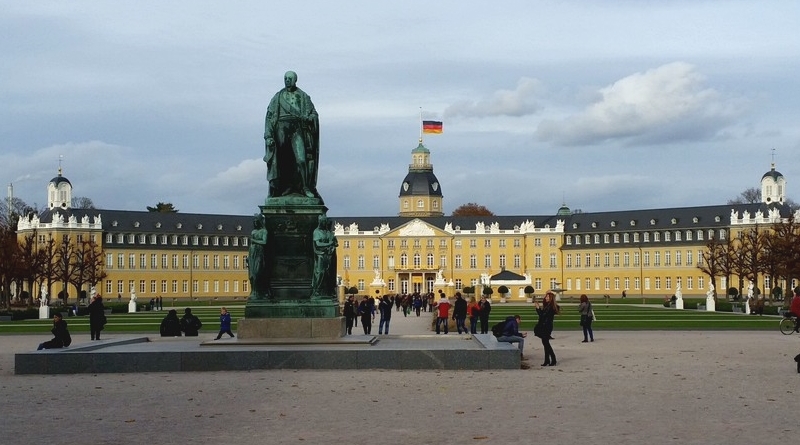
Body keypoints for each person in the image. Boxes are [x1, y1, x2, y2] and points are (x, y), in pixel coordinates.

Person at [264, 70, 320, 199]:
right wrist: (268, 136)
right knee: (283, 162)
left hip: (297, 129)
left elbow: (313, 114)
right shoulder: (277, 97)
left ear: (295, 80)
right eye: (285, 78)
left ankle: (305, 187)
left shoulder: (304, 97)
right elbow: (269, 117)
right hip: (281, 130)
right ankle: (285, 187)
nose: (287, 81)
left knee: (301, 160)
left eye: (290, 78)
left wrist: (310, 118)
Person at [311, 215, 338, 297]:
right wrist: (330, 243)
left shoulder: (327, 232)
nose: (325, 224)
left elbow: (335, 242)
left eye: (325, 222)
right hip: (320, 255)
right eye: (324, 222)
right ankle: (317, 290)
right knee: (321, 273)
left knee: (330, 274)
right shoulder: (316, 232)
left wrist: (333, 244)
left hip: (328, 256)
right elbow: (318, 244)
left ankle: (328, 290)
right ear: (320, 222)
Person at [535, 291, 560, 366]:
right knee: (545, 343)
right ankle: (547, 360)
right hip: (546, 326)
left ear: (550, 298)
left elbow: (542, 315)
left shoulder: (550, 307)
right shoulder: (548, 306)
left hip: (546, 327)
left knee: (546, 343)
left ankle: (553, 359)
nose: (545, 298)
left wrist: (538, 308)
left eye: (547, 297)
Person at [248, 214, 270, 299]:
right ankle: (254, 291)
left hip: (259, 253)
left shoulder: (264, 231)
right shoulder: (253, 232)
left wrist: (254, 240)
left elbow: (264, 242)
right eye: (254, 222)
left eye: (257, 221)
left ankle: (258, 292)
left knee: (257, 273)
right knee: (251, 274)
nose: (255, 223)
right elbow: (250, 245)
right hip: (252, 253)